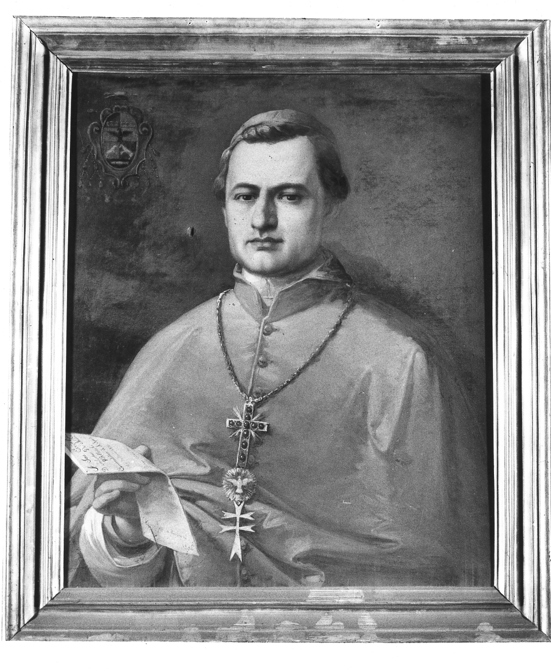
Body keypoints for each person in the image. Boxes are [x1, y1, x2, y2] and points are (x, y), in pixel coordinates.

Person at [68, 109, 491, 588]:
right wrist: (126, 530)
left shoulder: (400, 359)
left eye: (289, 196)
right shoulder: (172, 347)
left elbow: (439, 567)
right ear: (225, 208)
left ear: (329, 205)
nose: (262, 219)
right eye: (245, 196)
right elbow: (86, 560)